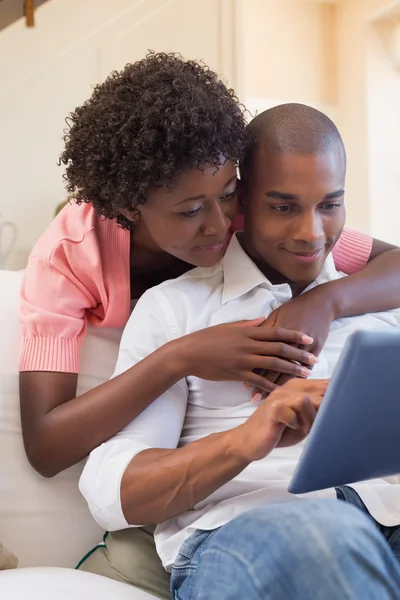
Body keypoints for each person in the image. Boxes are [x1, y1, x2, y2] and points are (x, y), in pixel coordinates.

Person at [19, 53, 400, 596]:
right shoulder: (86, 265)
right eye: (192, 209)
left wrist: (329, 301)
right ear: (130, 206)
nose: (222, 227)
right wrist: (184, 358)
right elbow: (54, 447)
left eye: (228, 198)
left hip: (382, 512)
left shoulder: (283, 229)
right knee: (321, 537)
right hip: (257, 528)